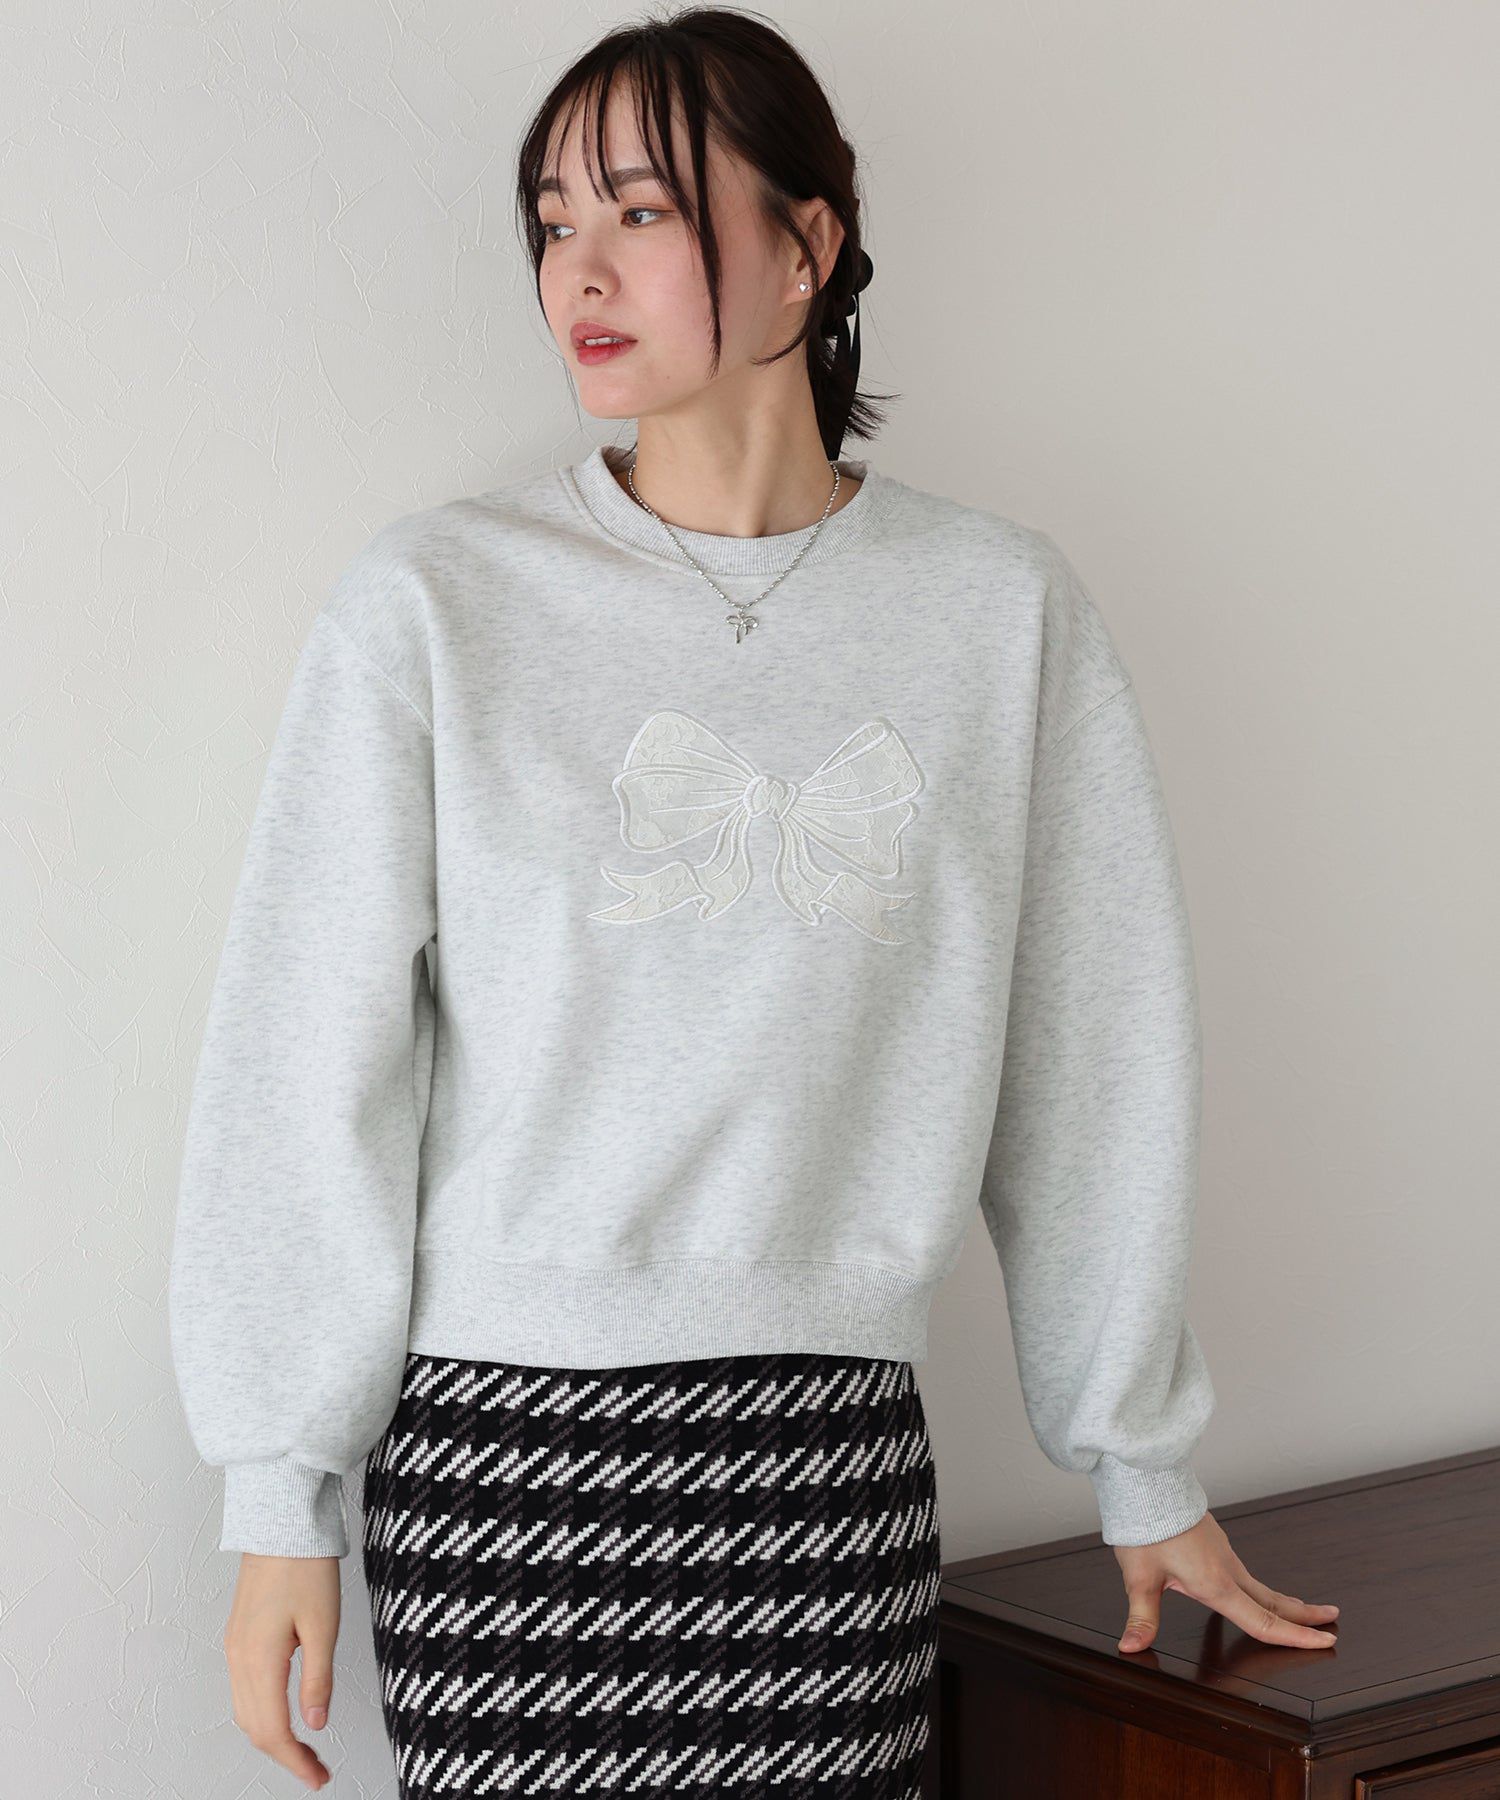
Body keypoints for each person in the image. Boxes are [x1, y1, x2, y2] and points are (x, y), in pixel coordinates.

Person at [168, 8, 1341, 1795]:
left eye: (640, 210)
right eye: (552, 222)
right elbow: (304, 1056)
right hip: (502, 1468)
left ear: (807, 246)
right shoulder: (436, 604)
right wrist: (280, 1500)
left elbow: (1092, 1059)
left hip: (825, 1454)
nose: (578, 268)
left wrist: (1143, 1464)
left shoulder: (997, 613)